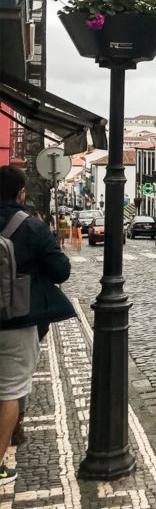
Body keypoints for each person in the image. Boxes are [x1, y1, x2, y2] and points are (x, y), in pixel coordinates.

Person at [0, 166, 75, 484]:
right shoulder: (30, 227)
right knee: (10, 390)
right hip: (15, 320)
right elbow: (60, 272)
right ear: (21, 193)